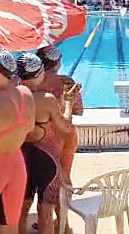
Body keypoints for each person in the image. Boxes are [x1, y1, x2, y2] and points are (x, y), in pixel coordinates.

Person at [16, 53, 78, 234]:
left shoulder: (12, 95)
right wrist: (67, 103)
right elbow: (66, 127)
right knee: (45, 209)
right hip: (46, 160)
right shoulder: (46, 100)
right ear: (39, 73)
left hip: (21, 157)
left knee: (21, 208)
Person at [0, 49, 36, 233]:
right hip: (16, 165)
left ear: (3, 72)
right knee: (10, 226)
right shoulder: (26, 94)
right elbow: (29, 129)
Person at [36, 45, 83, 185]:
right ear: (58, 63)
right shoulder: (66, 81)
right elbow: (79, 110)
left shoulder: (31, 84)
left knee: (42, 181)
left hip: (40, 135)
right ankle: (63, 207)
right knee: (65, 176)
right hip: (66, 135)